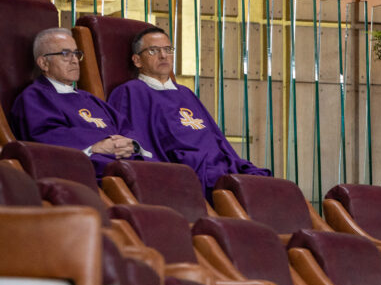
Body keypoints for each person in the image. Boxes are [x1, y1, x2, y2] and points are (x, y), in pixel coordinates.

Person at [108, 26, 270, 195]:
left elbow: (216, 139)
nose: (163, 55)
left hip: (219, 167)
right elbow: (131, 139)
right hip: (185, 170)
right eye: (153, 51)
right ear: (137, 60)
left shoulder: (185, 93)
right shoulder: (130, 91)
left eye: (168, 49)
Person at [10, 27, 149, 179]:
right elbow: (46, 137)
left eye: (76, 53)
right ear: (44, 63)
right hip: (86, 170)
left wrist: (131, 144)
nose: (75, 60)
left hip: (124, 163)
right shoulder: (34, 97)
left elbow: (125, 126)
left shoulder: (89, 98)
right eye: (65, 54)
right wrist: (96, 146)